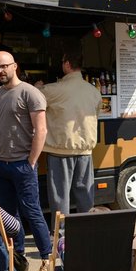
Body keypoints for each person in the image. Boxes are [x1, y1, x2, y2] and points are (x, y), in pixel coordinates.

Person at [0, 51, 51, 271]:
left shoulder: (30, 93)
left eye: (4, 66)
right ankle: (18, 259)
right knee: (8, 216)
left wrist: (31, 161)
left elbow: (41, 130)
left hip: (22, 163)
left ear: (15, 66)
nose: (0, 71)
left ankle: (47, 260)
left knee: (32, 211)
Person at [38, 51, 102, 228]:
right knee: (85, 194)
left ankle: (61, 235)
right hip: (85, 150)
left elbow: (31, 100)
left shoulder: (53, 90)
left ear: (66, 64)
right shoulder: (94, 92)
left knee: (60, 196)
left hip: (60, 150)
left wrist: (36, 86)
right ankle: (86, 231)